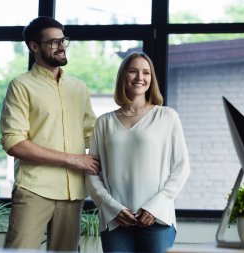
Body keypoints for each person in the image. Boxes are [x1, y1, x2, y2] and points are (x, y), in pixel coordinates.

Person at [0, 16, 100, 252]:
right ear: (34, 47)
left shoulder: (79, 87)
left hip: (73, 192)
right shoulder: (21, 86)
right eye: (53, 42)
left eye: (63, 40)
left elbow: (93, 134)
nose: (61, 46)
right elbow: (14, 143)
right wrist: (73, 159)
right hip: (34, 189)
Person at [85, 52, 190, 253]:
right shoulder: (104, 122)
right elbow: (92, 172)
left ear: (152, 79)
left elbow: (181, 168)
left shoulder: (167, 116)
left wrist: (155, 206)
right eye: (133, 71)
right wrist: (112, 208)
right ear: (123, 76)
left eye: (146, 72)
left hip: (157, 219)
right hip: (116, 221)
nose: (140, 78)